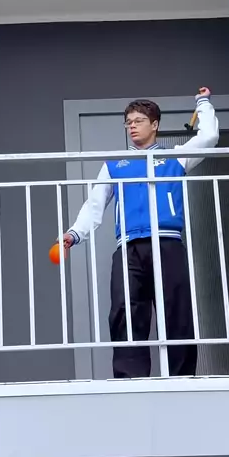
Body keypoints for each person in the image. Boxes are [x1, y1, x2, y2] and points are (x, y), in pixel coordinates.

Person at [62, 88, 219, 379]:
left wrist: (203, 103)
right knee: (125, 312)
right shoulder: (115, 165)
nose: (132, 126)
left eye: (138, 121)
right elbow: (94, 204)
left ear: (154, 124)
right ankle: (130, 379)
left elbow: (208, 137)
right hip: (129, 248)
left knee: (176, 311)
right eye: (128, 122)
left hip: (168, 244)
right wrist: (74, 233)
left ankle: (182, 378)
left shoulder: (175, 159)